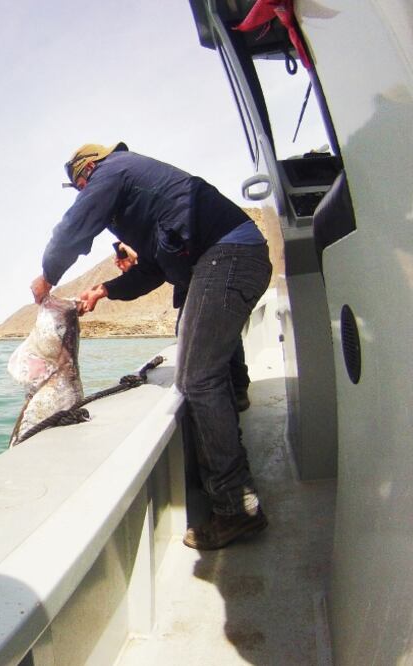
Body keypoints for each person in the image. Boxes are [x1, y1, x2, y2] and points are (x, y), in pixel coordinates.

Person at [30, 142, 272, 550]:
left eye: (80, 185)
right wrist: (104, 290)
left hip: (228, 255)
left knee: (197, 378)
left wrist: (47, 276)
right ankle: (234, 431)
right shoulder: (140, 202)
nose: (84, 193)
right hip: (234, 256)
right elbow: (155, 271)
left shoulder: (114, 171)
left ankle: (236, 507)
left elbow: (74, 226)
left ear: (87, 172)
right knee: (204, 359)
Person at [112, 240, 252, 411]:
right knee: (199, 328)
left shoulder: (164, 226)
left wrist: (139, 254)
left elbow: (166, 256)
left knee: (213, 324)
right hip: (199, 275)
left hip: (214, 269)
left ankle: (235, 388)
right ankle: (233, 387)